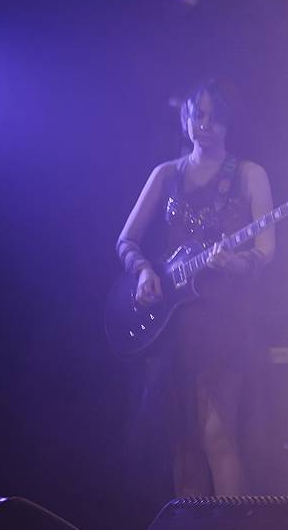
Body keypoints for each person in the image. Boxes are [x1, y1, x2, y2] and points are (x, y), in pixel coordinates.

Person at [115, 78, 274, 497]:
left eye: (213, 118)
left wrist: (234, 262)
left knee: (218, 438)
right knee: (182, 445)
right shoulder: (166, 174)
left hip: (223, 322)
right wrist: (143, 271)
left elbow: (265, 250)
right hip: (172, 326)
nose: (204, 125)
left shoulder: (249, 174)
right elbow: (126, 240)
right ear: (184, 119)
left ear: (228, 122)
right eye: (196, 115)